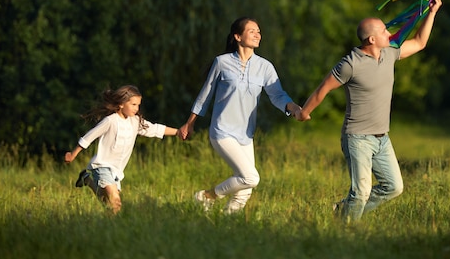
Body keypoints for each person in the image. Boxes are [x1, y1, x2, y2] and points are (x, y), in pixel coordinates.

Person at [296, 0, 443, 223]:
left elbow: (419, 42)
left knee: (394, 187)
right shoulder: (350, 64)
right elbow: (323, 88)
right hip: (358, 138)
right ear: (371, 39)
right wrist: (304, 112)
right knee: (361, 192)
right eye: (384, 30)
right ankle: (346, 234)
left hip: (382, 138)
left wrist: (432, 12)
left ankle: (343, 211)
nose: (389, 32)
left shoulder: (390, 54)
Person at [179, 16, 302, 214]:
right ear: (237, 36)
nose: (257, 34)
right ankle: (206, 196)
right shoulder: (222, 62)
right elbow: (205, 95)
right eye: (252, 31)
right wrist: (190, 123)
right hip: (222, 130)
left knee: (245, 188)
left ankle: (226, 223)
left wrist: (293, 108)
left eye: (259, 31)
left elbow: (277, 95)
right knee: (251, 178)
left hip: (246, 134)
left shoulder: (265, 67)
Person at [64, 85, 179, 214]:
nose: (137, 108)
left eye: (138, 105)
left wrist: (178, 132)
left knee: (107, 202)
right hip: (102, 165)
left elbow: (154, 129)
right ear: (121, 104)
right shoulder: (110, 121)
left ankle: (87, 180)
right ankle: (112, 229)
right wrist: (72, 155)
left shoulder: (135, 121)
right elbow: (89, 136)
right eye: (134, 104)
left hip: (117, 171)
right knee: (116, 203)